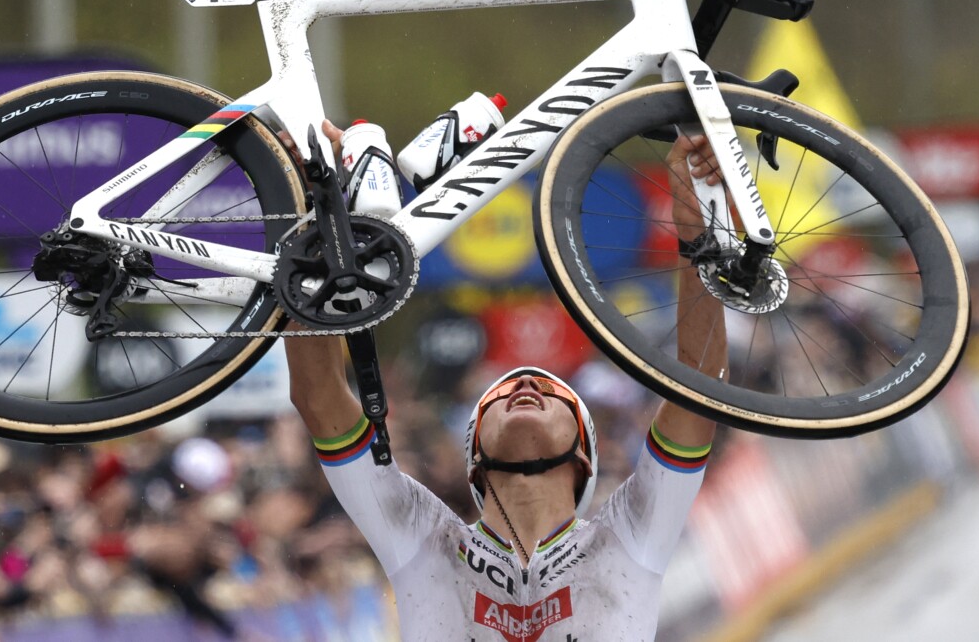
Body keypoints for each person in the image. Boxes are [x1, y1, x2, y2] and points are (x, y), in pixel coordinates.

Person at [284, 123, 729, 641]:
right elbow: (320, 398)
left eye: (550, 393)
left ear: (585, 455)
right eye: (500, 396)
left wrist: (694, 216)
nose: (525, 387)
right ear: (473, 457)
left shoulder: (630, 536)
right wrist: (307, 208)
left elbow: (699, 390)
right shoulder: (422, 538)